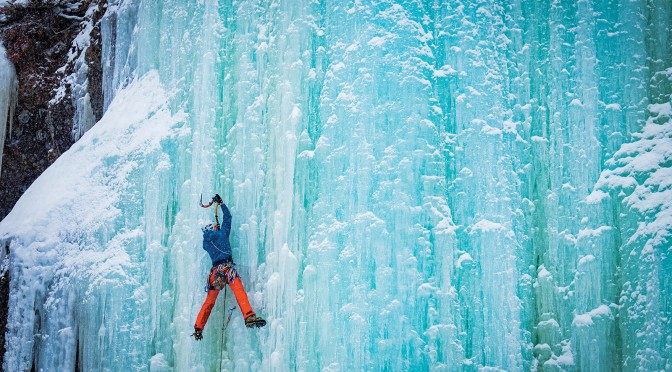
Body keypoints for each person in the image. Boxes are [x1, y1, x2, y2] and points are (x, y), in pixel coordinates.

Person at [192, 194, 266, 341]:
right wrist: (222, 204)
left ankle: (198, 327)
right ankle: (249, 316)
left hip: (216, 274)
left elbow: (210, 239)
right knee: (239, 291)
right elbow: (228, 218)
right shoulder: (222, 234)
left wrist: (214, 231)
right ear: (212, 228)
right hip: (227, 269)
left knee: (209, 301)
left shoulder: (206, 243)